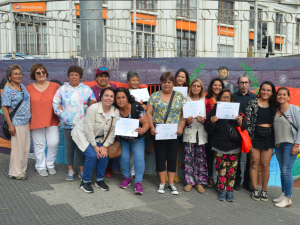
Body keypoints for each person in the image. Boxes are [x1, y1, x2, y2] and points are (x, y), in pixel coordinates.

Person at [53, 65, 97, 181]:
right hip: (67, 124)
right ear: (68, 76)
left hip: (81, 125)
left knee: (81, 148)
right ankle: (70, 170)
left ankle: (82, 170)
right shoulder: (62, 89)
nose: (74, 77)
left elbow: (93, 101)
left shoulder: (86, 89)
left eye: (76, 75)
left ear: (80, 77)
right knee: (69, 147)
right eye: (71, 74)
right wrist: (63, 114)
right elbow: (55, 103)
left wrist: (90, 106)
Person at [71, 87, 119, 193]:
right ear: (101, 97)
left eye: (111, 96)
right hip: (83, 134)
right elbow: (88, 130)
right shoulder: (93, 108)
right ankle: (85, 182)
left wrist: (105, 147)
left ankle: (99, 180)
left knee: (104, 154)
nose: (109, 98)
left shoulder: (115, 112)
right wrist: (95, 147)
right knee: (92, 155)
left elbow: (112, 133)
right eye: (106, 95)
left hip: (99, 137)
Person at [147, 72, 186, 195]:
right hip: (159, 132)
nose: (166, 84)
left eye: (169, 82)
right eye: (164, 82)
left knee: (172, 158)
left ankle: (171, 183)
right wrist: (151, 127)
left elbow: (184, 114)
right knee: (160, 157)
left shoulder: (179, 97)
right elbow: (148, 113)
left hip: (174, 133)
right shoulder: (154, 96)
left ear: (173, 83)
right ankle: (162, 183)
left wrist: (181, 127)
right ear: (161, 83)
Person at [205, 88, 247, 202]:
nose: (226, 99)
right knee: (220, 170)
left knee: (231, 171)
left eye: (228, 97)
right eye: (223, 97)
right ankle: (222, 190)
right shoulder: (214, 111)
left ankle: (230, 191)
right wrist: (212, 122)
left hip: (233, 146)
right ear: (219, 99)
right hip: (218, 146)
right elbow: (208, 129)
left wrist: (241, 122)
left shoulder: (237, 110)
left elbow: (244, 127)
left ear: (231, 99)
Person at [245, 81, 277, 202]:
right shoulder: (252, 103)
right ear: (260, 90)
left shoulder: (275, 105)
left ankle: (264, 190)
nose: (265, 92)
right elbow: (247, 122)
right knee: (254, 163)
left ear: (272, 92)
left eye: (268, 90)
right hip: (254, 136)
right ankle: (255, 189)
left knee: (265, 165)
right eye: (263, 89)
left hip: (268, 137)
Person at [27, 63, 60, 177]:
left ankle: (50, 164)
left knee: (53, 142)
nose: (41, 74)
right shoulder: (28, 89)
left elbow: (61, 101)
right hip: (36, 120)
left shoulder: (55, 86)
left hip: (52, 119)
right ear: (33, 75)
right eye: (38, 73)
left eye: (43, 72)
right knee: (39, 145)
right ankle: (40, 166)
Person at [114, 87, 150, 194]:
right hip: (124, 138)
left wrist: (143, 129)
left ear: (127, 97)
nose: (121, 100)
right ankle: (127, 178)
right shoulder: (115, 109)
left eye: (123, 97)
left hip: (137, 138)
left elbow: (146, 123)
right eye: (118, 98)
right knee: (124, 157)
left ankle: (138, 182)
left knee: (138, 158)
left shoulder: (136, 107)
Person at [2, 65, 31, 180]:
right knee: (17, 149)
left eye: (20, 73)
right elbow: (4, 108)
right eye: (15, 74)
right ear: (9, 76)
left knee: (25, 148)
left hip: (26, 121)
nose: (19, 76)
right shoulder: (8, 89)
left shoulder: (22, 86)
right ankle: (14, 172)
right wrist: (10, 125)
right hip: (16, 123)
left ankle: (22, 170)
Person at [273, 87, 300, 208]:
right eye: (279, 94)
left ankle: (288, 198)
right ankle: (284, 193)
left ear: (288, 97)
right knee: (282, 170)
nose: (281, 96)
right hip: (279, 145)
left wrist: (297, 144)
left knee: (286, 170)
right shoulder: (276, 110)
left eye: (284, 94)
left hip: (290, 144)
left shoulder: (294, 109)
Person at [183, 79, 211, 193]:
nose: (195, 88)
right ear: (191, 87)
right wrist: (187, 121)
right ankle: (189, 182)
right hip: (190, 132)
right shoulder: (186, 100)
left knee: (201, 158)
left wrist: (203, 120)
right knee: (189, 157)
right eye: (194, 86)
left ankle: (200, 183)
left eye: (198, 86)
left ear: (201, 88)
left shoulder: (205, 101)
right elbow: (182, 117)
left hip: (202, 132)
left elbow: (209, 118)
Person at [91, 66, 117, 178]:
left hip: (111, 120)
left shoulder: (113, 87)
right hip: (97, 123)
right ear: (96, 77)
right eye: (101, 76)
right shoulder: (92, 89)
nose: (103, 78)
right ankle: (96, 169)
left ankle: (108, 168)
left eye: (106, 76)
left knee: (109, 144)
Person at [232, 74, 257, 192]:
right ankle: (237, 181)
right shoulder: (232, 97)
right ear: (238, 84)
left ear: (249, 84)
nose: (243, 85)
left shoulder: (254, 97)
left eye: (246, 82)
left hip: (249, 131)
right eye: (241, 82)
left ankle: (247, 182)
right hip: (235, 131)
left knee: (248, 158)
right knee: (236, 156)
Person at [205, 77, 225, 189]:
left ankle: (219, 179)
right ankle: (209, 177)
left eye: (219, 85)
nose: (217, 87)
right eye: (215, 85)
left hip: (221, 132)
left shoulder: (225, 100)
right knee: (209, 155)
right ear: (211, 86)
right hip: (208, 130)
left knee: (219, 156)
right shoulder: (206, 99)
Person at [172, 68, 190, 183]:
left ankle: (176, 174)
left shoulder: (189, 92)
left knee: (177, 150)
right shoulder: (169, 89)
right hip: (170, 123)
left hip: (182, 123)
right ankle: (169, 175)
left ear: (186, 79)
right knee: (168, 150)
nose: (180, 78)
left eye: (183, 77)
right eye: (178, 76)